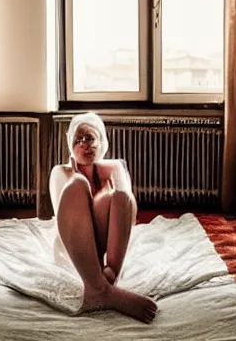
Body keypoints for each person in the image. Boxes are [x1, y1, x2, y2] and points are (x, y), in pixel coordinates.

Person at [48, 112, 157, 323]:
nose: (84, 145)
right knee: (77, 185)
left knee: (120, 194)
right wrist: (77, 174)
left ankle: (109, 277)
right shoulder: (60, 172)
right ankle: (98, 289)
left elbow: (127, 210)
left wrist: (112, 175)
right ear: (70, 146)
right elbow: (63, 215)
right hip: (73, 248)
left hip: (103, 249)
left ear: (101, 140)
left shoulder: (113, 167)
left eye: (89, 138)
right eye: (77, 141)